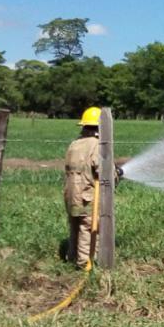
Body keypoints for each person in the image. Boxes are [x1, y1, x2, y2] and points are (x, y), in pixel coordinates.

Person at [64, 106, 122, 270]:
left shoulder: (74, 144)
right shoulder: (97, 145)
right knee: (87, 227)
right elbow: (103, 171)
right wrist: (117, 174)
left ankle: (72, 256)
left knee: (75, 224)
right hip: (87, 194)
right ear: (100, 128)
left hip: (70, 193)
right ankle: (84, 264)